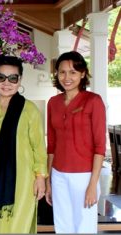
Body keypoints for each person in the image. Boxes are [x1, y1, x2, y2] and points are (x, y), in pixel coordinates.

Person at [0, 55, 47, 234]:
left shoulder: (29, 109)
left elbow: (38, 147)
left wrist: (40, 177)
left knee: (17, 226)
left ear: (20, 80)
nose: (6, 83)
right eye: (1, 77)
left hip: (22, 180)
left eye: (12, 78)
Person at [45, 51, 106, 233]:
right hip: (58, 175)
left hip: (84, 175)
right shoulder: (53, 103)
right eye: (62, 72)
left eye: (72, 72)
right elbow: (52, 144)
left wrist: (93, 185)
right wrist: (49, 181)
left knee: (84, 227)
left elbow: (100, 146)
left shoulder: (93, 101)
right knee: (63, 226)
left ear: (82, 74)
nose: (67, 77)